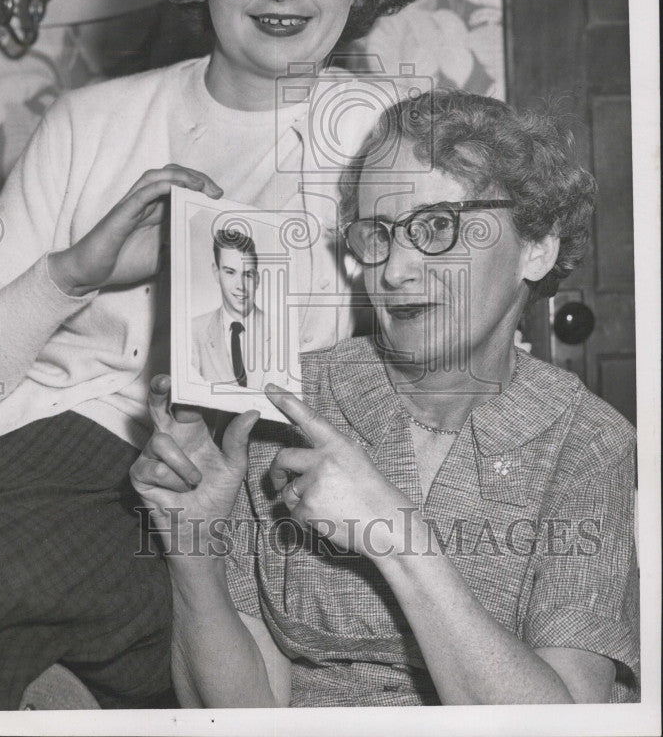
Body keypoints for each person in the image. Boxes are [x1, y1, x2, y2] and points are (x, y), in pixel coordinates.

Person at [0, 0, 423, 710]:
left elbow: (451, 392)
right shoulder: (90, 122)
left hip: (217, 503)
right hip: (6, 454)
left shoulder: (398, 140)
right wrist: (71, 275)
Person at [131, 89, 640, 708]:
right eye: (376, 235)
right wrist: (195, 550)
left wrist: (395, 536)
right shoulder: (288, 405)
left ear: (537, 247)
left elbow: (564, 726)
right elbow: (243, 712)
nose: (393, 270)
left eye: (435, 227)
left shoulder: (588, 444)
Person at [190, 230, 275, 390]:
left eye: (248, 275)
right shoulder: (194, 331)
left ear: (257, 279)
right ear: (216, 273)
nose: (240, 286)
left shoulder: (280, 330)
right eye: (230, 272)